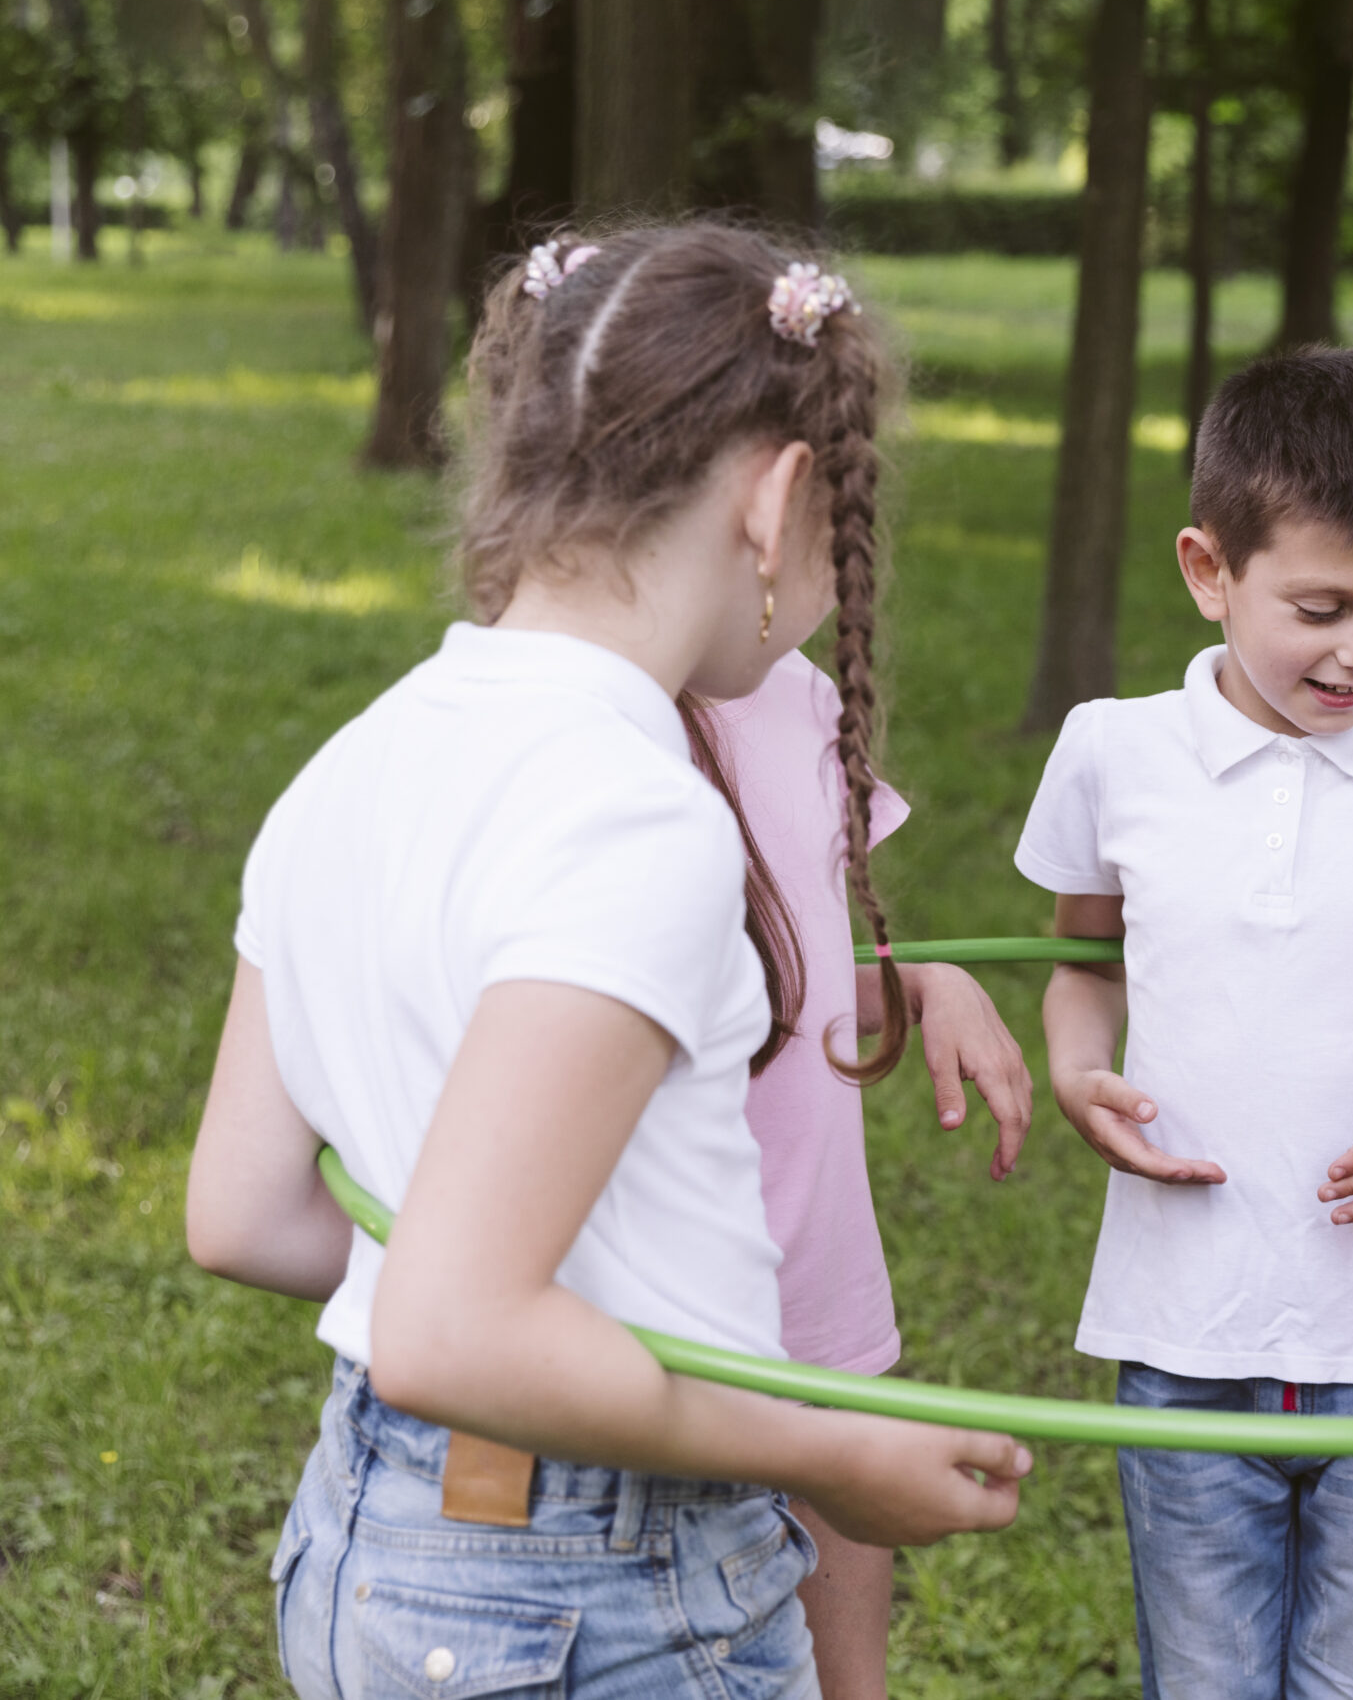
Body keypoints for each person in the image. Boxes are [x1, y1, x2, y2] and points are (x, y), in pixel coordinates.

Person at [185, 223, 1030, 1700]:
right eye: (853, 506)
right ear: (777, 497)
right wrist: (837, 1451)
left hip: (372, 1543)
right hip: (599, 1592)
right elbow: (453, 1324)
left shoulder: (357, 759)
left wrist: (507, 1271)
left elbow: (242, 1210)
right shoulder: (641, 816)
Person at [1013, 347, 1353, 1700]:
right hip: (1188, 1336)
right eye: (1321, 606)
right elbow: (1084, 961)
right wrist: (1079, 1066)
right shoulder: (1111, 749)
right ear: (1210, 570)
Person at [691, 645, 1035, 1699]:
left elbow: (784, 977)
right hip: (669, 1310)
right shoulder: (591, 727)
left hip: (814, 1285)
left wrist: (927, 982)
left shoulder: (797, 693)